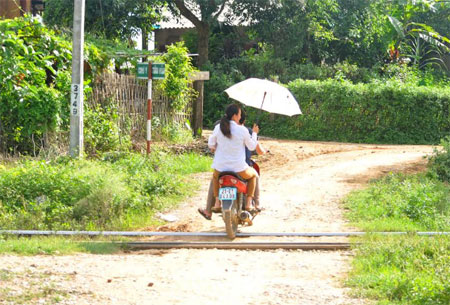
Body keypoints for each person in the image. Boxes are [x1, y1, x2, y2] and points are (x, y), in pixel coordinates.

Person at [198, 106, 261, 220]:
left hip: (220, 168)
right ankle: (248, 203)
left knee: (215, 177)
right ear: (235, 116)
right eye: (239, 114)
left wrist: (216, 147)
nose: (240, 117)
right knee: (254, 176)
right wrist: (255, 133)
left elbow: (211, 145)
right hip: (239, 169)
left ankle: (217, 203)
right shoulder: (242, 130)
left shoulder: (218, 128)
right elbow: (251, 146)